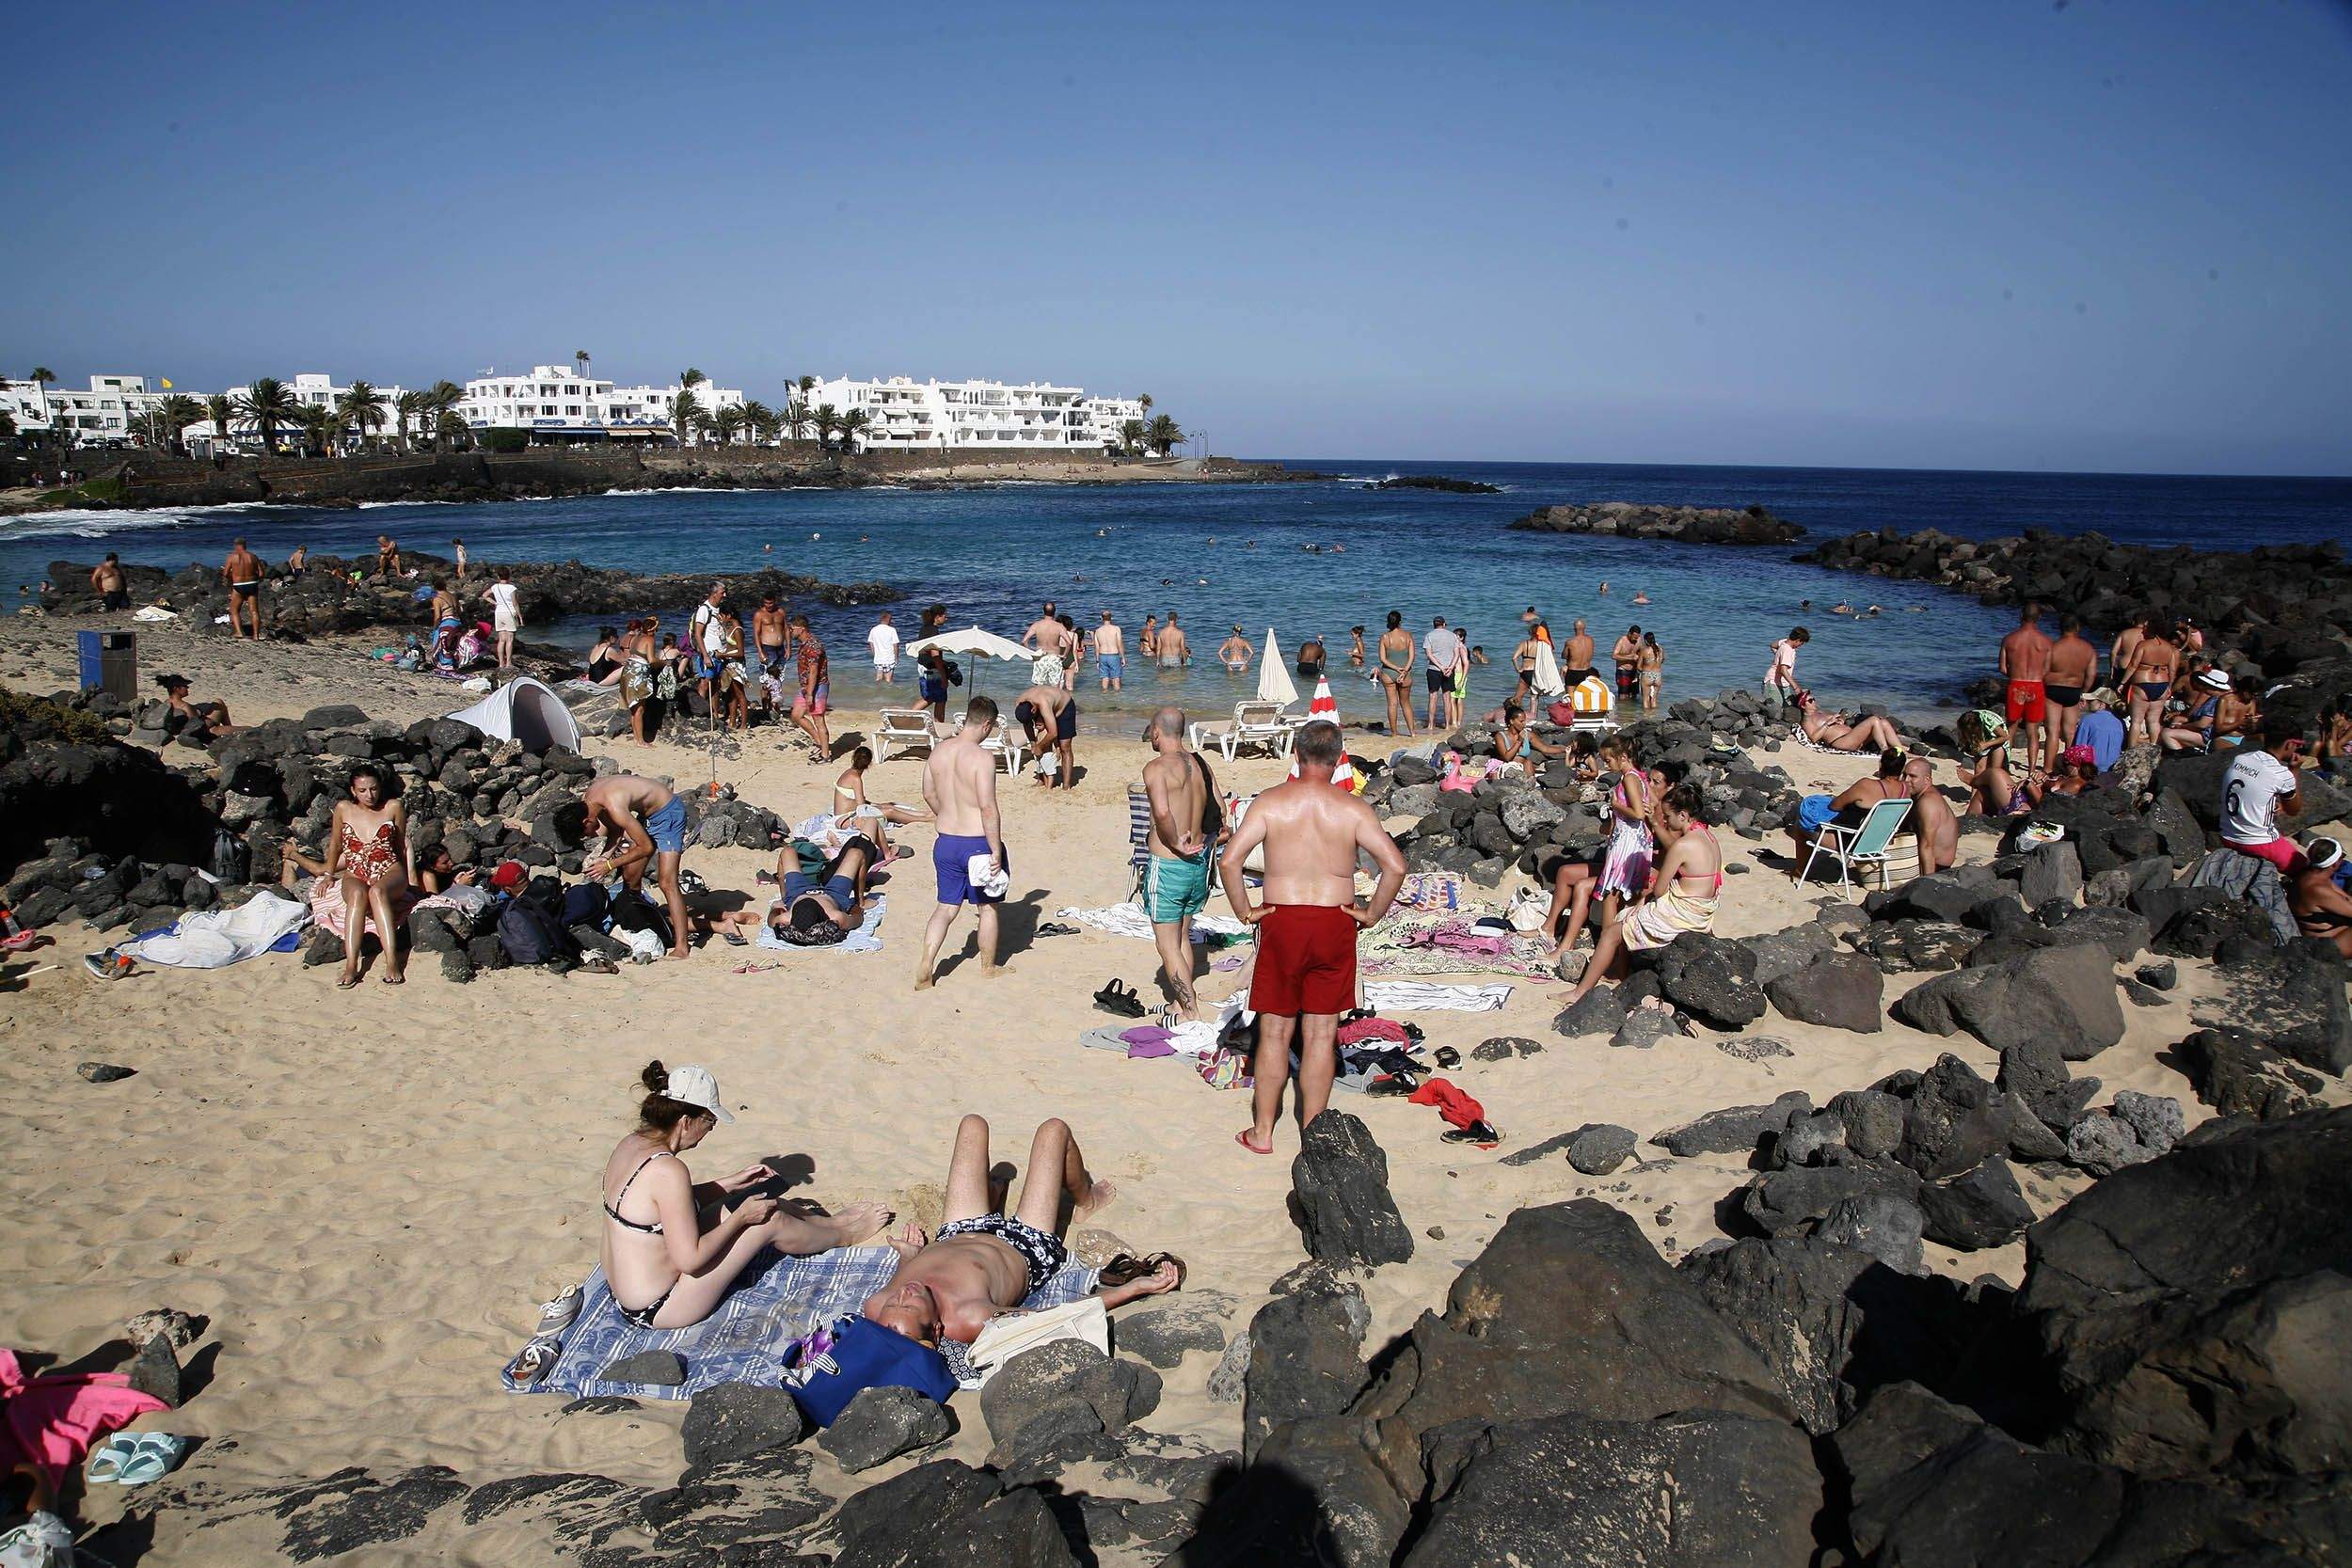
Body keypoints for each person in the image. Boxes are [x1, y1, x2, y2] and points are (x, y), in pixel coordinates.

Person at [1221, 721, 1406, 1155]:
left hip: (1282, 919)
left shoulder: (1271, 802)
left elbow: (1230, 861)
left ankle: (1263, 1133)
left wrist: (1245, 911)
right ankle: (1313, 1135)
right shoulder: (1354, 809)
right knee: (1322, 1033)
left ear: (1296, 754)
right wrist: (1371, 914)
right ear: (1339, 758)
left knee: (1274, 1032)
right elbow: (1395, 866)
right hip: (1333, 921)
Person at [603, 1062, 890, 1331]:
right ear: (686, 1121)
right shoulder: (670, 1170)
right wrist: (740, 1218)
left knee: (759, 1201)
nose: (710, 1129)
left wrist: (731, 1184)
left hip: (628, 1290)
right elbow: (690, 1260)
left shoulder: (633, 1144)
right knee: (768, 1221)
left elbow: (663, 1203)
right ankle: (846, 1235)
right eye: (709, 1120)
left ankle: (831, 1224)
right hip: (661, 1305)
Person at [860, 1116, 1179, 1349]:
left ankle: (992, 1196)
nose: (903, 1294)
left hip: (958, 1232)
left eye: (895, 1302)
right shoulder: (971, 1317)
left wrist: (909, 1256)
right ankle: (1087, 1199)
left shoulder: (877, 1307)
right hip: (1024, 1246)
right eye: (910, 1305)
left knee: (972, 1125)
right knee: (1054, 1131)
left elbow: (899, 1283)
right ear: (937, 1328)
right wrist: (1133, 1288)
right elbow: (1052, 1315)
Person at [1558, 784, 1722, 1010]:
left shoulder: (1682, 846)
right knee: (1627, 916)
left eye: (1668, 816)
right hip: (1702, 911)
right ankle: (1618, 973)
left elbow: (1660, 890)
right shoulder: (1709, 838)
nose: (1666, 822)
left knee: (1612, 932)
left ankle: (1580, 992)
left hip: (1683, 914)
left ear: (1683, 816)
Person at [917, 697, 1008, 989]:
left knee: (945, 907)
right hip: (976, 843)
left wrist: (944, 812)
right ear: (987, 724)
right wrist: (996, 848)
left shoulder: (938, 751)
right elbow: (987, 808)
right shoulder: (982, 758)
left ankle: (927, 961)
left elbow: (928, 793)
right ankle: (988, 967)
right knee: (987, 907)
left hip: (946, 841)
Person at [1142, 706, 1221, 1020]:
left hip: (1169, 863)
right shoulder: (1202, 764)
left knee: (1167, 945)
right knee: (1181, 937)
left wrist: (1175, 842)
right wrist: (1201, 841)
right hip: (1198, 864)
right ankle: (1179, 1002)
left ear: (1157, 732)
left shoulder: (1156, 768)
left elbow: (1162, 813)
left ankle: (1190, 1010)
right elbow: (1221, 810)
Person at [1543, 736, 1651, 958]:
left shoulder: (1630, 779)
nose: (1605, 765)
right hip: (1625, 841)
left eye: (1608, 760)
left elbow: (1639, 814)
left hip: (1626, 847)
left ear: (1623, 757)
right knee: (1585, 881)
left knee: (1608, 892)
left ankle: (1600, 951)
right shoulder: (1639, 777)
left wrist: (1616, 805)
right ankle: (1554, 933)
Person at [582, 774, 692, 960]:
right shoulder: (591, 801)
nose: (592, 834)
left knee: (667, 882)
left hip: (669, 814)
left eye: (588, 832)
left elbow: (646, 848)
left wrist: (609, 865)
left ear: (586, 821)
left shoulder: (613, 806)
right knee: (630, 877)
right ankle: (642, 919)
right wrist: (604, 857)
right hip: (648, 816)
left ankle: (682, 946)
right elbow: (617, 830)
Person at [327, 762, 413, 988]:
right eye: (363, 790)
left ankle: (392, 962)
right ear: (353, 791)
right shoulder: (343, 809)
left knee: (376, 892)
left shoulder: (393, 807)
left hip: (389, 869)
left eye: (374, 789)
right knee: (357, 895)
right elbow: (335, 845)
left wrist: (409, 877)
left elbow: (400, 846)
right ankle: (351, 965)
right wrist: (328, 874)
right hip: (355, 872)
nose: (369, 795)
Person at [1789, 748, 1912, 881]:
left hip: (1849, 843)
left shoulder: (1867, 785)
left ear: (1881, 764)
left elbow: (1835, 805)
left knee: (1802, 824)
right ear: (1901, 768)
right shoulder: (1905, 790)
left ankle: (1800, 870)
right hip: (1878, 843)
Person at [2219, 717, 2305, 874]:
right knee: (2305, 867)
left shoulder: (2241, 759)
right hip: (2257, 842)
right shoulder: (2280, 773)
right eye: (2298, 745)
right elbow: (2294, 810)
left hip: (2227, 835)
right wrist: (2295, 771)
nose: (2298, 749)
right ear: (2289, 744)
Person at [833, 746, 932, 860]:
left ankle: (924, 814)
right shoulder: (855, 779)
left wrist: (877, 805)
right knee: (890, 811)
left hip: (848, 814)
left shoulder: (849, 773)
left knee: (888, 806)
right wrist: (876, 806)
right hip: (846, 818)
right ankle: (924, 818)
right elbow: (861, 806)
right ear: (869, 763)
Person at [1998, 602, 2055, 768]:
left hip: (2016, 685)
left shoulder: (2009, 639)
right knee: (2033, 731)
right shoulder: (2046, 641)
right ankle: (2031, 769)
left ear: (2021, 615)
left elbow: (2002, 668)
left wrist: (2016, 676)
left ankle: (2005, 765)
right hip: (2036, 685)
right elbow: (2047, 669)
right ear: (2039, 617)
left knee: (2011, 728)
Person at [2044, 613, 2098, 768]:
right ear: (2078, 628)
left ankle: (2048, 768)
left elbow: (2043, 671)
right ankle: (2070, 767)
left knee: (2053, 731)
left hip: (2053, 689)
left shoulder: (2053, 647)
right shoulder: (2088, 649)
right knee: (2070, 732)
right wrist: (2083, 692)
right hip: (2074, 690)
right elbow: (2091, 675)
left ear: (2060, 628)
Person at [1956, 709, 2029, 817]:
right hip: (1983, 738)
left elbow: (2005, 737)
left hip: (1999, 741)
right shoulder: (1965, 721)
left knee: (1994, 770)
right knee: (1979, 767)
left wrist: (1986, 745)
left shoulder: (1990, 722)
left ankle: (1993, 795)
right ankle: (1973, 797)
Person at [2290, 838, 2352, 957]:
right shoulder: (2317, 889)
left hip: (2337, 932)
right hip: (2325, 945)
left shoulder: (2314, 876)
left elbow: (2347, 898)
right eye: (2342, 857)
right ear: (2335, 864)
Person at [2125, 615, 2180, 747]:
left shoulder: (2143, 645)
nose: (2143, 630)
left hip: (2142, 683)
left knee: (2136, 721)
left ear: (2151, 629)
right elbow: (2172, 671)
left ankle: (2131, 750)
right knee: (2154, 721)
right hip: (2162, 684)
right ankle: (2154, 748)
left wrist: (2122, 683)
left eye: (2145, 627)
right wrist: (2170, 687)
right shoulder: (2169, 648)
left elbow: (2133, 665)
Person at [1901, 756, 1960, 877]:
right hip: (1930, 862)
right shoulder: (1921, 796)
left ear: (1927, 780)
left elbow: (1927, 846)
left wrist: (1927, 881)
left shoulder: (1928, 803)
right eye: (1904, 775)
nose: (1906, 780)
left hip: (1935, 867)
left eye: (1913, 776)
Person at [1011, 683, 1077, 789]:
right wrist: (1033, 744)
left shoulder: (1043, 704)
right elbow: (1027, 724)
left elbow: (1053, 733)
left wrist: (1039, 747)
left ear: (1033, 710)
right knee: (1040, 743)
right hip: (1046, 707)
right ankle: (1041, 780)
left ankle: (1066, 785)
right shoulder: (1020, 703)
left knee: (1065, 747)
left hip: (1064, 707)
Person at [1793, 690, 1902, 752]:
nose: (1814, 702)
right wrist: (1827, 724)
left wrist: (1840, 721)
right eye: (1810, 701)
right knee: (1873, 720)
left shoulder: (1820, 713)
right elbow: (1813, 738)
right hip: (1842, 742)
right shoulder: (1807, 720)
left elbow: (1834, 725)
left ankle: (1901, 750)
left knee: (1882, 722)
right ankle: (1885, 752)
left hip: (1852, 737)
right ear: (1803, 705)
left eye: (1813, 699)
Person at [789, 612, 832, 759]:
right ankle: (820, 742)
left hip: (817, 687)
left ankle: (825, 755)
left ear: (801, 629)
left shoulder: (813, 645)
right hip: (806, 687)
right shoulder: (804, 645)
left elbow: (814, 671)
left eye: (792, 629)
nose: (790, 631)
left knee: (818, 719)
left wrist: (809, 694)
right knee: (796, 715)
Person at [2161, 669, 2232, 752]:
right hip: (2207, 732)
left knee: (2166, 734)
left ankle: (2180, 754)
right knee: (2177, 720)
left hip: (2206, 736)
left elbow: (2202, 724)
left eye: (2205, 685)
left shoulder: (2216, 701)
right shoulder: (2218, 698)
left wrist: (2182, 726)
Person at [153, 673, 232, 739]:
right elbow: (196, 726)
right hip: (205, 729)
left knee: (216, 703)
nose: (187, 688)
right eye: (185, 686)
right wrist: (210, 721)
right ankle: (229, 728)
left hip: (185, 725)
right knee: (219, 703)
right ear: (176, 688)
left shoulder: (167, 702)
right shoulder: (185, 706)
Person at [1376, 610, 1417, 736]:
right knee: (1406, 703)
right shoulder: (1408, 636)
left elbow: (1383, 659)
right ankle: (1412, 733)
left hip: (1388, 673)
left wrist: (1396, 668)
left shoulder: (1384, 637)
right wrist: (1404, 671)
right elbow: (1412, 657)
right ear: (1400, 621)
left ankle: (1394, 734)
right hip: (1405, 673)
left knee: (1392, 704)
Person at [1422, 616, 1462, 734]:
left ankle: (1430, 725)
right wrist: (1450, 667)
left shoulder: (1429, 635)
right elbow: (1457, 654)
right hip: (1449, 670)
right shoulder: (1453, 636)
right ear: (1444, 624)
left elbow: (1429, 655)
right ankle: (1447, 726)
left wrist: (1441, 667)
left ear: (1434, 624)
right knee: (1447, 697)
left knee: (1433, 697)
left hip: (1434, 669)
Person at [2074, 689, 2128, 772]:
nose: (2088, 703)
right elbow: (2124, 745)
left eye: (2091, 701)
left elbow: (2079, 748)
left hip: (2091, 769)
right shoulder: (2120, 722)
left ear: (2101, 705)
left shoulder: (2087, 719)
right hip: (2113, 768)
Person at [222, 536, 263, 641]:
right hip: (252, 584)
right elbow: (261, 573)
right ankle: (256, 636)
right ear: (245, 545)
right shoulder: (253, 556)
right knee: (254, 611)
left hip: (239, 585)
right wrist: (256, 579)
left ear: (235, 545)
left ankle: (239, 632)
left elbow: (225, 573)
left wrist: (231, 579)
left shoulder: (232, 557)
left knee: (234, 610)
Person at [1023, 602, 1069, 688]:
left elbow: (1025, 641)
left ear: (1043, 611)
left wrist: (1031, 653)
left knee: (1038, 687)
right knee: (1055, 687)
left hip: (1040, 657)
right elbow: (1069, 642)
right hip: (1054, 657)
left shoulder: (1036, 625)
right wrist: (1064, 655)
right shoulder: (1059, 626)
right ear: (1055, 612)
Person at [2213, 676, 2262, 751]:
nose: (2254, 697)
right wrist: (2240, 722)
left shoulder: (2251, 703)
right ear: (2245, 691)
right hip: (2224, 738)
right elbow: (2218, 729)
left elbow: (2251, 729)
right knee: (2235, 750)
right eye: (2253, 695)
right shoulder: (2225, 700)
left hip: (2243, 737)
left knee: (2263, 737)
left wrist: (2252, 723)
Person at [487, 566, 521, 670]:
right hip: (509, 613)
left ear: (498, 576)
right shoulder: (511, 588)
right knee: (510, 640)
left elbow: (485, 595)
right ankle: (508, 663)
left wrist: (495, 603)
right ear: (509, 576)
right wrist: (520, 616)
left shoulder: (495, 587)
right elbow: (515, 603)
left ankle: (501, 664)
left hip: (499, 613)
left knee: (501, 640)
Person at [1765, 627, 1809, 704]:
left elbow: (1772, 645)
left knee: (1787, 706)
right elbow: (1783, 671)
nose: (1801, 646)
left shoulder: (1784, 642)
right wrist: (1796, 687)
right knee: (1776, 708)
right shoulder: (1788, 650)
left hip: (1782, 683)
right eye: (1802, 643)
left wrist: (1779, 656)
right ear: (1798, 640)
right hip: (1773, 683)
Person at [915, 646, 952, 723]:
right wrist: (943, 676)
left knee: (931, 698)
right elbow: (935, 655)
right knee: (937, 699)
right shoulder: (933, 638)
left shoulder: (923, 637)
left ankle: (907, 717)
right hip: (932, 671)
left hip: (924, 667)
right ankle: (939, 726)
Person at [1093, 610, 1125, 691]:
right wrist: (1123, 657)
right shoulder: (1116, 629)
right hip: (1113, 655)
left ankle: (1104, 695)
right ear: (1111, 618)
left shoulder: (1097, 631)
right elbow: (1119, 644)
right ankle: (1117, 695)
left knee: (1104, 678)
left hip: (1102, 656)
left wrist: (1097, 661)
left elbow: (1097, 647)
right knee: (1116, 678)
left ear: (1101, 618)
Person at [1611, 625, 1642, 706]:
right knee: (1623, 696)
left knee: (1634, 695)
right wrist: (1630, 658)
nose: (1636, 639)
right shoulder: (1622, 640)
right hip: (1623, 671)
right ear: (1629, 634)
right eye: (1634, 637)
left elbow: (1642, 653)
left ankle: (1632, 713)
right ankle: (1622, 712)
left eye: (1637, 637)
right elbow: (1614, 656)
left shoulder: (1639, 640)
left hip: (1634, 671)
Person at [867, 609, 899, 687]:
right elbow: (895, 645)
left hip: (878, 659)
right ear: (888, 619)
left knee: (878, 678)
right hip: (889, 659)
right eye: (891, 619)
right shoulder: (892, 630)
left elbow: (871, 644)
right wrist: (896, 657)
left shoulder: (874, 630)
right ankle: (888, 693)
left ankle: (877, 691)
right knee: (888, 680)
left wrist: (874, 655)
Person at [1562, 619, 1596, 689]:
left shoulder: (1570, 642)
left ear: (1574, 628)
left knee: (1571, 695)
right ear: (1584, 628)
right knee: (1585, 693)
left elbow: (1564, 656)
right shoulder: (1591, 640)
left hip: (1573, 671)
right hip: (1587, 671)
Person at [1638, 631, 1665, 712]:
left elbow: (1638, 666)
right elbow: (1662, 660)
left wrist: (1644, 669)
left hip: (1647, 676)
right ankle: (1654, 716)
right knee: (1654, 700)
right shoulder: (1661, 649)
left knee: (1645, 699)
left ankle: (1646, 716)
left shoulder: (1644, 650)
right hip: (1658, 676)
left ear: (1646, 640)